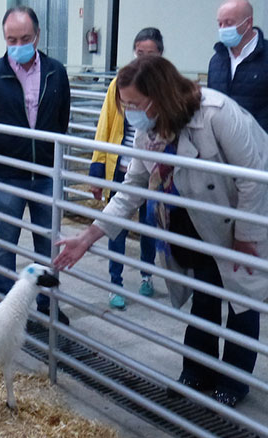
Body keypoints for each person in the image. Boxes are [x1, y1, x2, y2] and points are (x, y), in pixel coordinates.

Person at [54, 56, 268, 407]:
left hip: (252, 212)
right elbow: (133, 187)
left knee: (242, 298)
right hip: (200, 213)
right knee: (205, 289)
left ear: (160, 96)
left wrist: (246, 237)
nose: (131, 112)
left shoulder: (216, 114)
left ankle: (234, 381)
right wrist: (88, 237)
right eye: (127, 105)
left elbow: (252, 179)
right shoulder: (148, 129)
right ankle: (196, 370)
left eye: (136, 104)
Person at [0, 6, 71, 324]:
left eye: (24, 38)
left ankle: (48, 303)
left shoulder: (56, 71)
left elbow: (62, 118)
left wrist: (45, 151)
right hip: (9, 174)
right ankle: (3, 305)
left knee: (48, 241)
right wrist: (2, 152)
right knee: (5, 242)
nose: (18, 45)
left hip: (45, 173)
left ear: (37, 36)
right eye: (11, 39)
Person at [89, 27, 163, 310]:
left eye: (151, 54)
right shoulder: (121, 83)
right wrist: (98, 165)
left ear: (161, 55)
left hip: (154, 172)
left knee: (149, 225)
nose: (144, 59)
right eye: (140, 53)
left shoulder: (166, 89)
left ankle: (147, 274)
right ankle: (114, 283)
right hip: (121, 167)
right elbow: (105, 124)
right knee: (115, 224)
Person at [207, 0, 268, 146]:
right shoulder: (216, 61)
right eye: (220, 24)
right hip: (222, 148)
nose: (223, 29)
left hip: (259, 150)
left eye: (229, 23)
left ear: (248, 23)